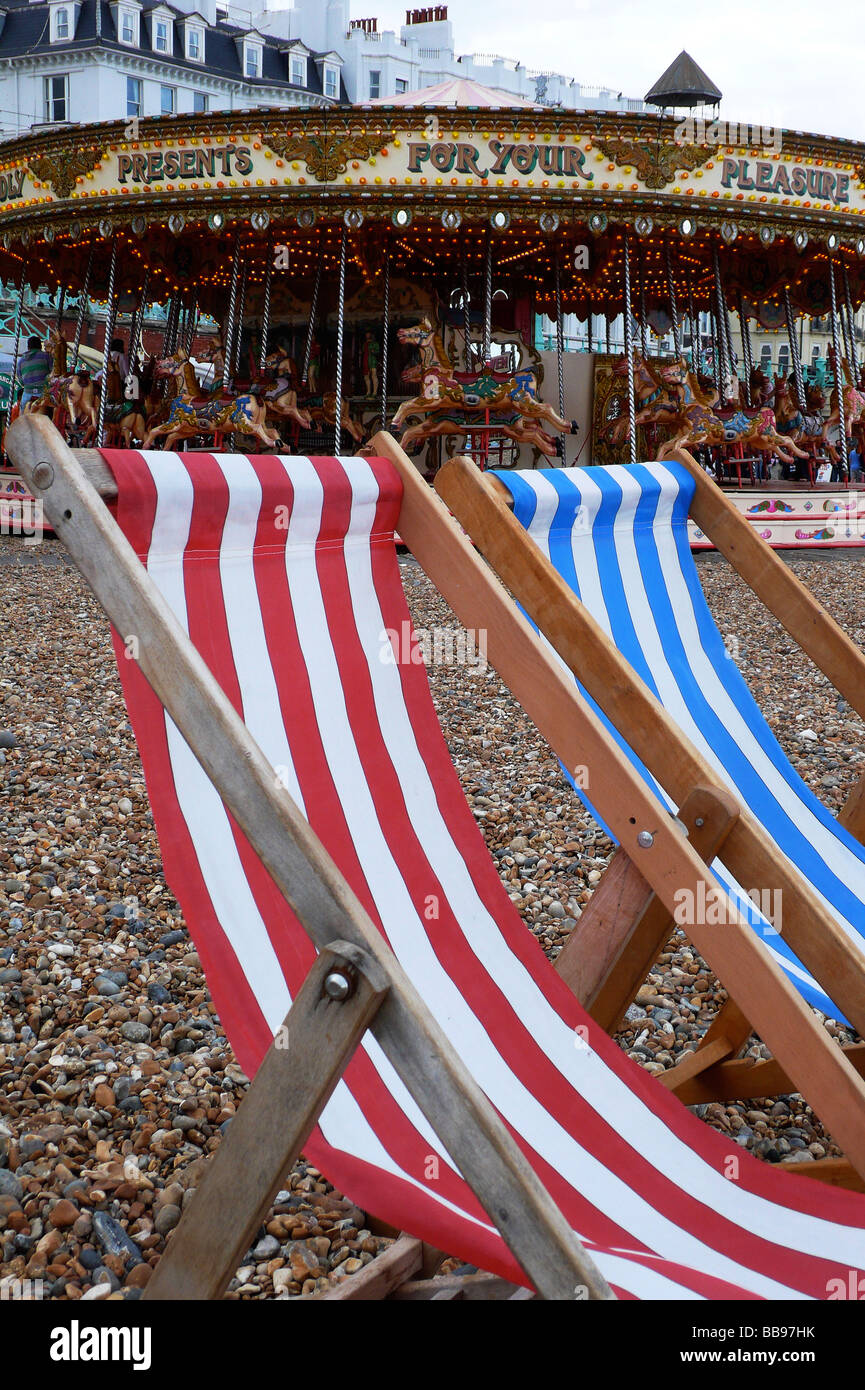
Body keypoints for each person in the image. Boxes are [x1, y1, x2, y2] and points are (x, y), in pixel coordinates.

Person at [17, 335, 51, 405]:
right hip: (43, 392)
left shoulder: (21, 360)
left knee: (22, 411)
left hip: (28, 392)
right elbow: (52, 373)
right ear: (40, 346)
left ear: (28, 347)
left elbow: (21, 381)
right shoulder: (46, 357)